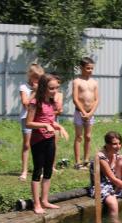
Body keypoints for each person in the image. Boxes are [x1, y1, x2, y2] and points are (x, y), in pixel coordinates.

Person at [26, 74, 69, 214]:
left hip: (50, 139)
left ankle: (45, 200)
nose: (55, 90)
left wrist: (60, 127)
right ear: (44, 87)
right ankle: (36, 204)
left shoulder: (51, 102)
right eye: (52, 88)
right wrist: (44, 125)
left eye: (57, 87)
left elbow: (51, 121)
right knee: (38, 171)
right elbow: (29, 123)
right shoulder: (34, 103)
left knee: (49, 170)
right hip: (38, 141)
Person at [18, 63, 44, 181]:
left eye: (40, 78)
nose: (38, 80)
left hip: (38, 119)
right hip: (26, 118)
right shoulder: (24, 87)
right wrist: (34, 92)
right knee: (27, 144)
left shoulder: (42, 88)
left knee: (40, 144)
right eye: (36, 77)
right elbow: (25, 104)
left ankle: (39, 169)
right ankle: (24, 171)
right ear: (30, 76)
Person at [72, 57, 99, 170]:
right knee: (79, 136)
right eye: (88, 68)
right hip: (80, 113)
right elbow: (75, 99)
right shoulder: (77, 81)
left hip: (90, 114)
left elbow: (97, 99)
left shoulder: (94, 82)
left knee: (88, 137)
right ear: (81, 68)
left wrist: (91, 113)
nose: (90, 70)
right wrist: (83, 112)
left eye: (92, 68)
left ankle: (86, 160)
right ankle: (78, 161)